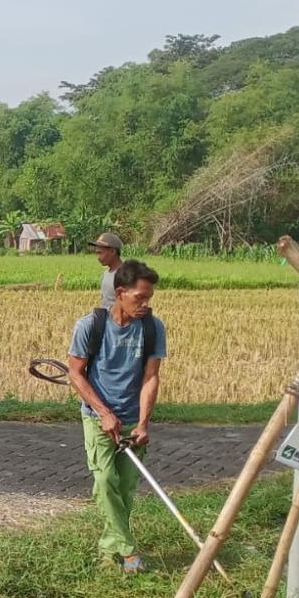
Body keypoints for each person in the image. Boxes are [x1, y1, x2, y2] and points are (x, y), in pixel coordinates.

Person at [68, 259, 167, 573]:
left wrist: (142, 423)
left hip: (131, 420)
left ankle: (109, 547)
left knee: (124, 488)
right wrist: (104, 413)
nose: (144, 304)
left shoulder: (153, 328)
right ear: (121, 292)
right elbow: (75, 373)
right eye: (140, 297)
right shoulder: (90, 326)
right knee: (105, 480)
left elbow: (151, 377)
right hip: (99, 419)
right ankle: (128, 552)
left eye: (149, 298)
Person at [89, 232, 123, 310]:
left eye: (100, 253)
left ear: (112, 251)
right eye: (96, 253)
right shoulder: (105, 274)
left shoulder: (127, 275)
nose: (98, 257)